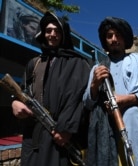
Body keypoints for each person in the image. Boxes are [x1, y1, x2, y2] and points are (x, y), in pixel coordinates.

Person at [83, 16, 138, 166]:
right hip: (108, 137)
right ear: (105, 40)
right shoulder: (97, 69)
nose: (114, 39)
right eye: (109, 36)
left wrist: (131, 99)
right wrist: (94, 84)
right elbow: (87, 103)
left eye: (118, 35)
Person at [11, 11, 90, 166]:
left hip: (61, 138)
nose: (52, 34)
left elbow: (80, 99)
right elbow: (22, 92)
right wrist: (14, 103)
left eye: (57, 31)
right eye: (48, 31)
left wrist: (67, 129)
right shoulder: (35, 63)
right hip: (32, 137)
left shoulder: (78, 63)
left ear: (64, 34)